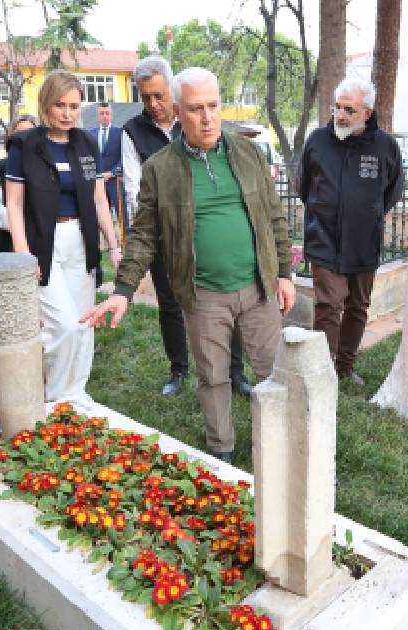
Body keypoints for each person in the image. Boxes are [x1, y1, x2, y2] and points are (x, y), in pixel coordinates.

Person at [83, 67, 295, 464]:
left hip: (258, 286)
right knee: (212, 377)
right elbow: (144, 234)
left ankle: (279, 447)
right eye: (197, 109)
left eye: (213, 106)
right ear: (178, 112)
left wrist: (285, 272)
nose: (208, 117)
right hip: (204, 294)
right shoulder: (160, 169)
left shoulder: (248, 153)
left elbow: (273, 216)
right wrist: (123, 290)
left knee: (272, 373)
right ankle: (223, 453)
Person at [120, 55, 251, 398]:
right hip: (167, 236)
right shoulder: (132, 132)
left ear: (173, 93)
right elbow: (135, 190)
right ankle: (179, 369)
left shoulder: (195, 117)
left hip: (208, 236)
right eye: (145, 96)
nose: (153, 104)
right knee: (170, 304)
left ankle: (235, 372)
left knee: (226, 301)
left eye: (159, 95)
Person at [5, 70, 122, 403]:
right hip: (43, 242)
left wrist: (113, 245)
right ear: (46, 104)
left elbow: (100, 199)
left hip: (81, 240)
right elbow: (14, 204)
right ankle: (55, 396)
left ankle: (77, 390)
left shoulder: (86, 142)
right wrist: (24, 253)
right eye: (60, 105)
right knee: (64, 325)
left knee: (84, 323)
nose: (68, 113)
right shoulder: (25, 145)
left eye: (74, 106)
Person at [298, 76, 404, 385]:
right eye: (337, 108)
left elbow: (392, 191)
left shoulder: (386, 146)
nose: (340, 115)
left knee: (358, 306)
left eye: (349, 110)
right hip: (325, 239)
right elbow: (304, 186)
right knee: (329, 305)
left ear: (367, 113)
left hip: (363, 242)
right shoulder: (317, 141)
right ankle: (324, 368)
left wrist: (367, 215)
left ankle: (345, 366)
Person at [0, 114, 37, 253]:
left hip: (42, 240)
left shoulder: (45, 167)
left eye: (30, 133)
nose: (24, 138)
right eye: (20, 133)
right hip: (8, 243)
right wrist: (24, 225)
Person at [93, 102, 126, 234]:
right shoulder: (91, 134)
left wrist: (111, 173)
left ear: (111, 115)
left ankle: (126, 242)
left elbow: (124, 157)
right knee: (100, 214)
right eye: (102, 113)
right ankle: (105, 242)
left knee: (121, 214)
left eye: (107, 113)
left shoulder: (120, 133)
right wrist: (99, 175)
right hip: (98, 182)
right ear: (98, 116)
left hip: (115, 181)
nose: (105, 116)